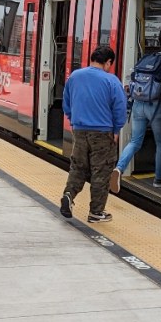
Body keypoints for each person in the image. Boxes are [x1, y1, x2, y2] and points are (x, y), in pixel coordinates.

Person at [59, 45, 126, 223]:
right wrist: (116, 129)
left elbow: (66, 102)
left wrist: (74, 119)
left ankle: (68, 195)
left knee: (78, 167)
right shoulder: (112, 81)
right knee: (101, 171)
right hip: (103, 133)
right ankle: (96, 211)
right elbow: (120, 108)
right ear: (108, 62)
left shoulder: (75, 76)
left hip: (79, 130)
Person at [111, 30, 161, 192]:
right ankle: (159, 179)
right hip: (157, 106)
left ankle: (119, 168)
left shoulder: (147, 58)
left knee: (135, 141)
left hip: (138, 103)